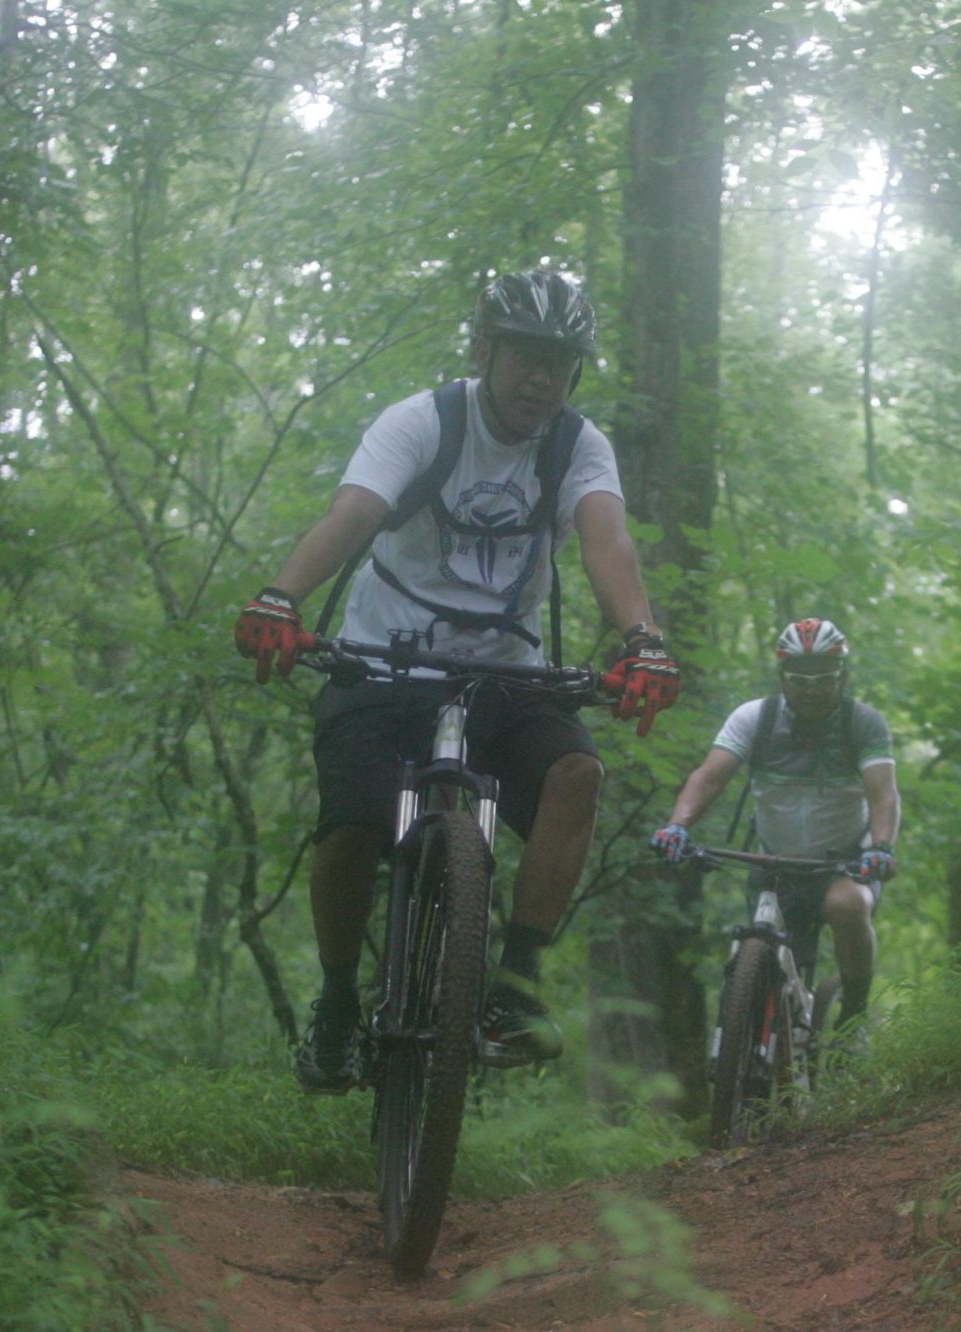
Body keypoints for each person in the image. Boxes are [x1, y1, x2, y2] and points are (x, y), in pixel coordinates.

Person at [234, 268, 680, 1092]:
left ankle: (511, 986)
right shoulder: (423, 421)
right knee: (353, 824)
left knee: (577, 773)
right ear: (484, 350)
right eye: (525, 357)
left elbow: (606, 542)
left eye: (561, 362)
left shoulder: (576, 444)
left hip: (506, 673)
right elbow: (355, 514)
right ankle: (337, 1000)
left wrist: (642, 639)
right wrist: (281, 596)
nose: (542, 378)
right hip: (382, 658)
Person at [650, 618, 899, 1037]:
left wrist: (882, 847)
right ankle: (755, 1043)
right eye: (800, 679)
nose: (813, 689)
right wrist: (678, 826)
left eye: (825, 678)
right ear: (783, 677)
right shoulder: (755, 718)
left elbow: (883, 794)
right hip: (775, 863)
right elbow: (710, 777)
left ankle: (853, 1013)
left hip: (842, 864)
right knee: (762, 951)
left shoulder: (863, 723)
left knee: (849, 905)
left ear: (842, 676)